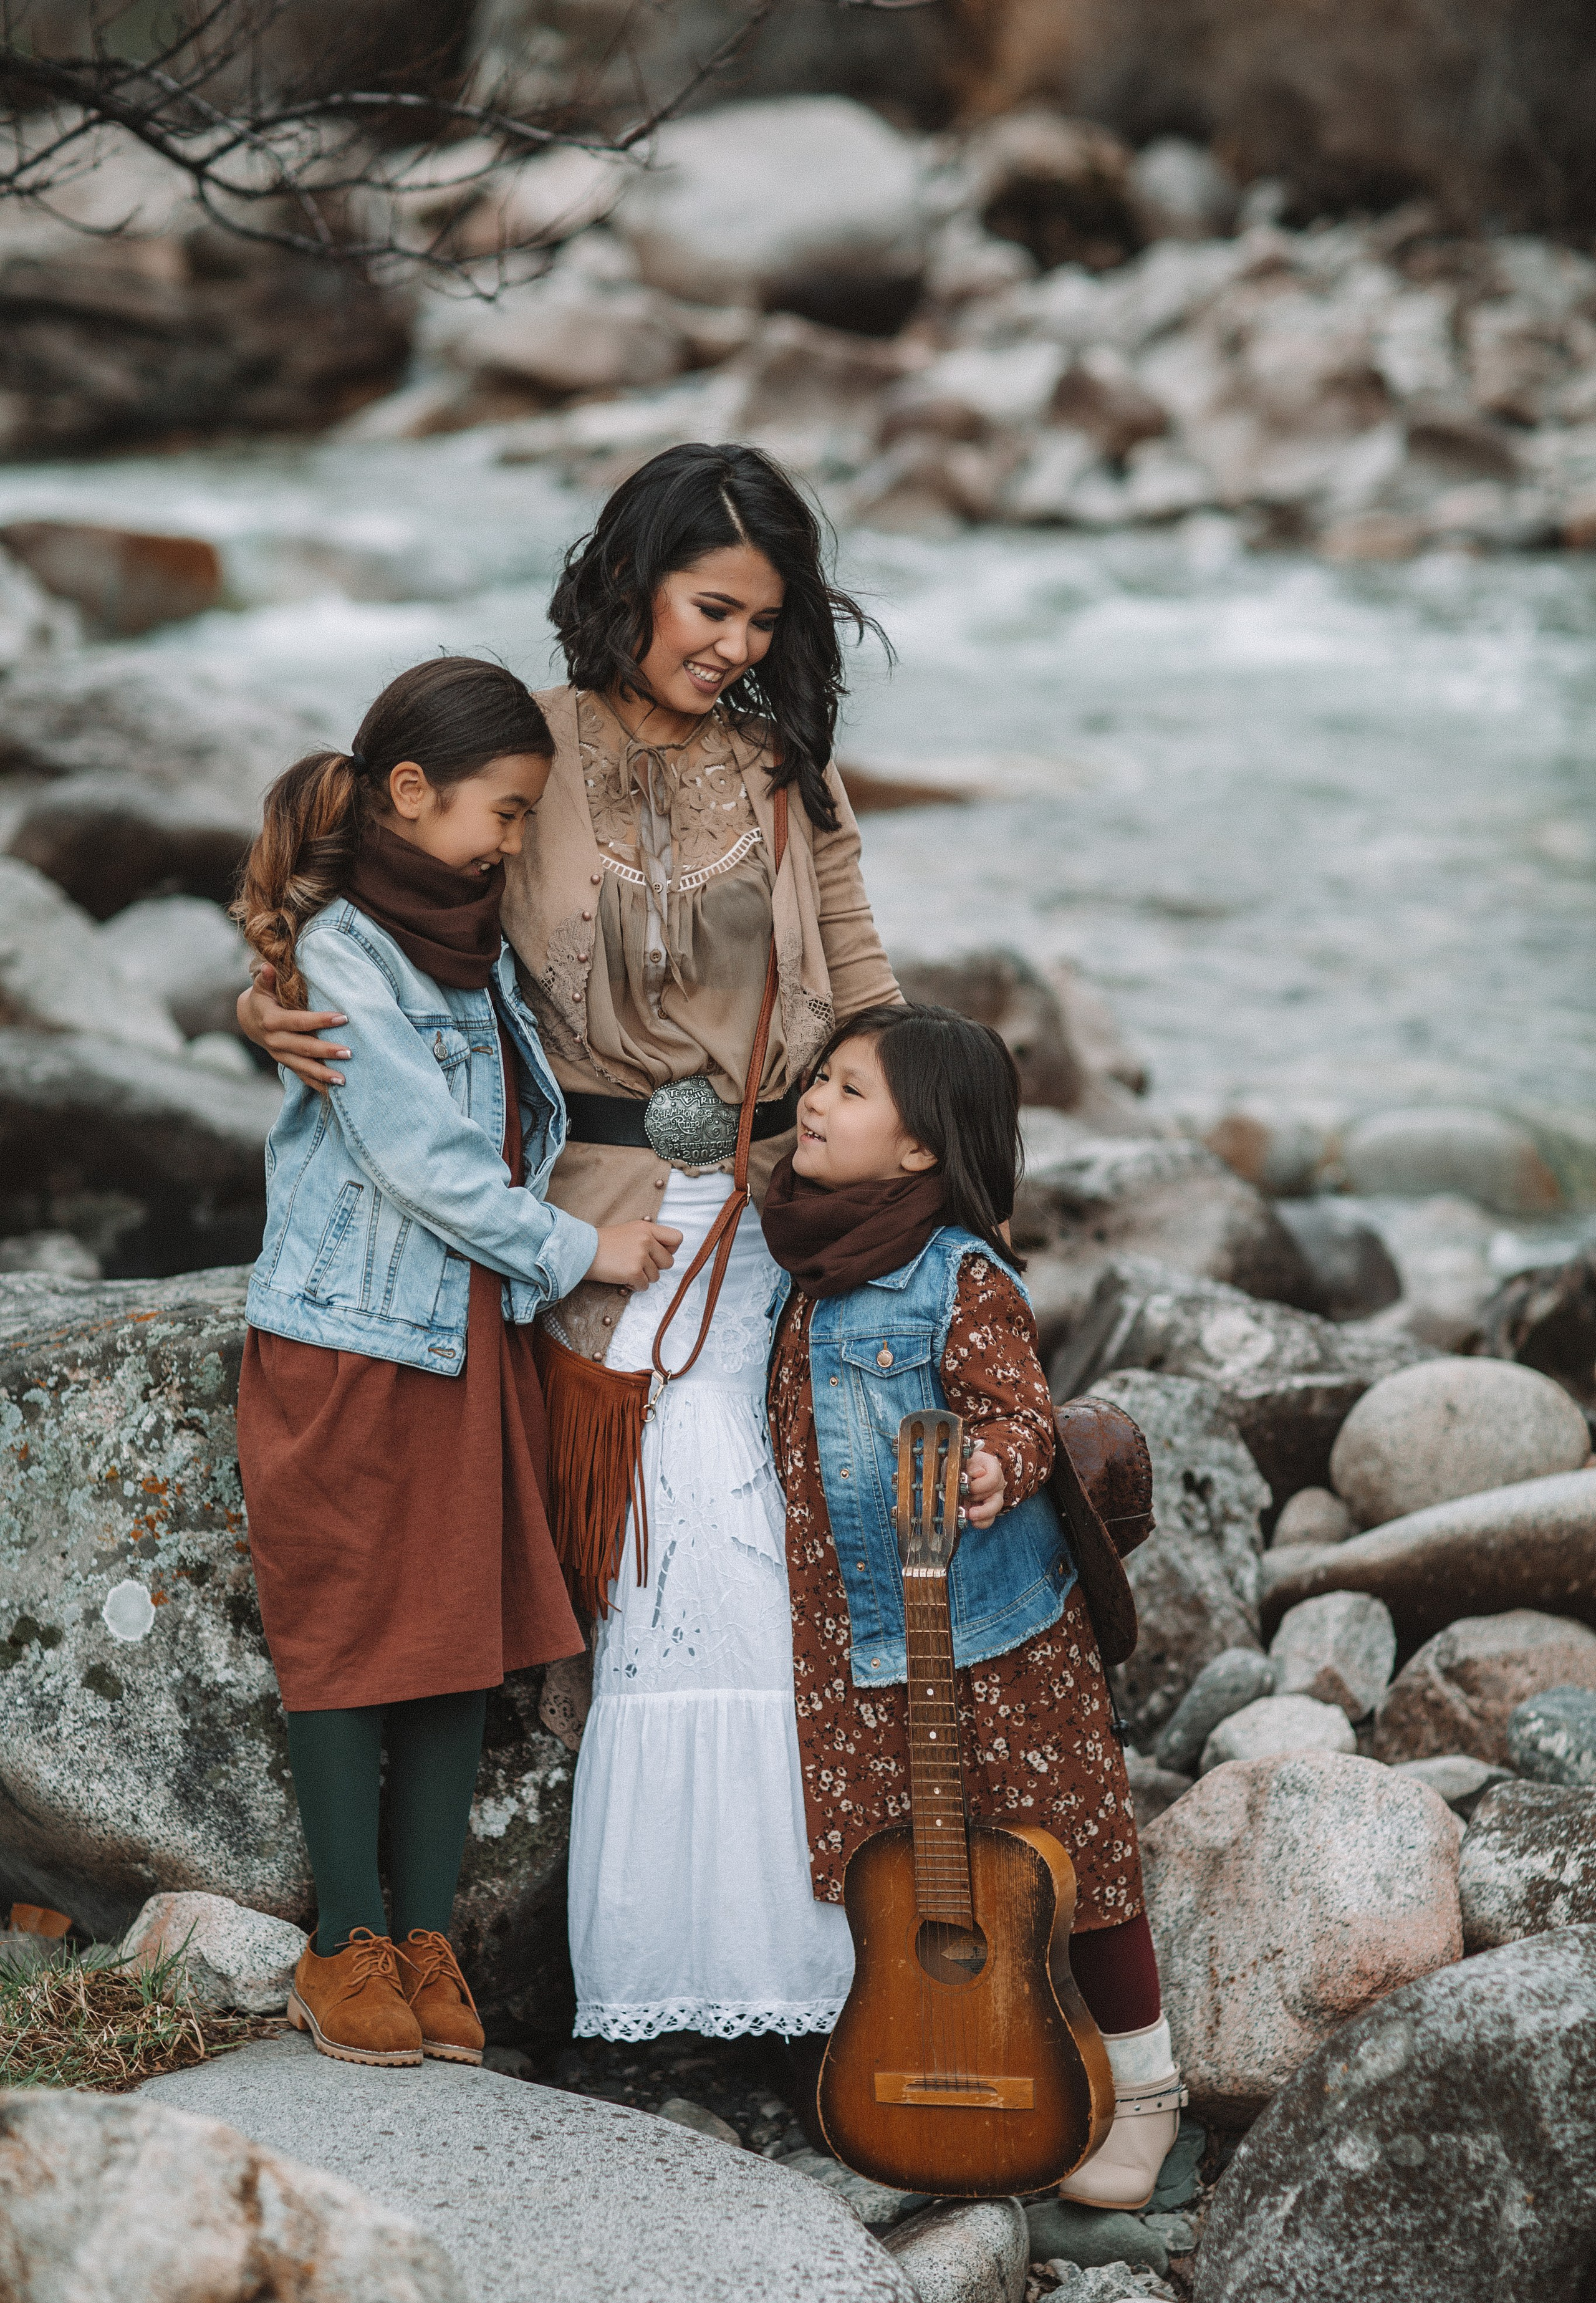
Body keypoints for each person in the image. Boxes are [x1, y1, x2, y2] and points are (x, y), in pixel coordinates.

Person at [238, 445, 901, 2051]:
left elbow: (864, 979)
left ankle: (787, 1985)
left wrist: (936, 1172)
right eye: (711, 606)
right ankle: (646, 1987)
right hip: (583, 1221)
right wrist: (264, 1001)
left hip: (773, 1208)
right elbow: (367, 904)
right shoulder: (522, 751)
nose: (737, 645)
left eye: (765, 620)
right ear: (633, 582)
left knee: (767, 1561)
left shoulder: (788, 770)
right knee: (662, 1567)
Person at [233, 655, 676, 2070]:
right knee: (346, 1635)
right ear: (411, 792)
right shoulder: (346, 955)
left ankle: (426, 1938)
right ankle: (344, 1941)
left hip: (466, 1342)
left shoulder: (472, 946)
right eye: (506, 811)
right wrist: (579, 1249)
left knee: (453, 1640)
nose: (515, 841)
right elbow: (419, 1156)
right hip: (356, 1346)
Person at [759, 1002, 1185, 2208]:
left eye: (850, 1090)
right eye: (820, 1077)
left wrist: (996, 1464)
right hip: (851, 1633)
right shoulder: (801, 1254)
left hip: (992, 1630)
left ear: (919, 1150)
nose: (815, 1100)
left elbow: (1019, 1413)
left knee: (1073, 1854)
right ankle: (947, 2053)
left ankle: (1146, 2088)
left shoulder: (957, 1275)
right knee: (893, 1863)